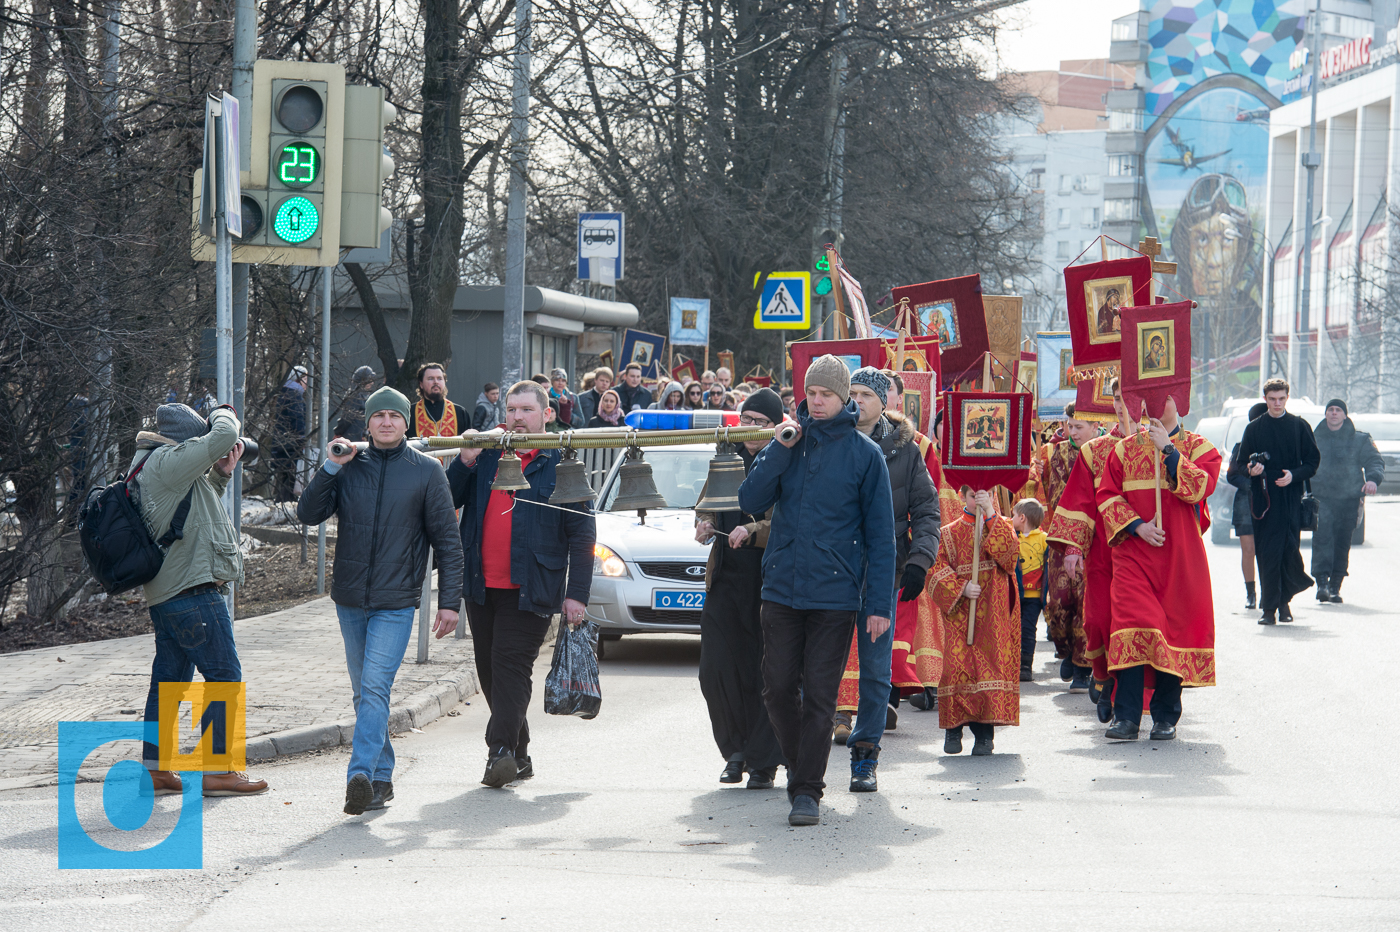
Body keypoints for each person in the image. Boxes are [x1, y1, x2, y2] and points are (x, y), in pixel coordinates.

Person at [737, 355, 895, 826]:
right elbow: (750, 499)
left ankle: (807, 789)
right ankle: (800, 765)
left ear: (844, 398)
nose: (818, 401)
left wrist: (878, 605)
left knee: (822, 697)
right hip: (782, 588)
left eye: (827, 393)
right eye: (812, 392)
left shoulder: (865, 456)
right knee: (778, 688)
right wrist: (781, 448)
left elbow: (881, 539)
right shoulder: (788, 442)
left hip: (835, 595)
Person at [298, 386, 464, 814]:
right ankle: (382, 778)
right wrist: (331, 467)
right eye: (378, 416)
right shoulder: (349, 466)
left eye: (394, 416)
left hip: (396, 600)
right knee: (364, 693)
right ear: (367, 423)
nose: (386, 422)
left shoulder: (427, 471)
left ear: (405, 423)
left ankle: (358, 773)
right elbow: (307, 513)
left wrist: (450, 601)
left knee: (374, 687)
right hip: (350, 597)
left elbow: (448, 540)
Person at [448, 381, 596, 787]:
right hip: (481, 585)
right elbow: (448, 498)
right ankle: (521, 753)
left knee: (510, 665)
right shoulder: (488, 456)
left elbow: (583, 533)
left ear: (546, 414)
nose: (516, 417)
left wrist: (576, 594)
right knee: (490, 672)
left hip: (533, 585)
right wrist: (465, 458)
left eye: (526, 410)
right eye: (511, 409)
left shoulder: (562, 462)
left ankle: (498, 752)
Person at [135, 403, 268, 799]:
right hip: (193, 591)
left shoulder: (156, 465)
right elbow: (224, 434)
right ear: (186, 442)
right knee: (225, 676)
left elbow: (197, 502)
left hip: (172, 591)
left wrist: (222, 471)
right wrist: (221, 413)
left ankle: (157, 771)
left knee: (169, 683)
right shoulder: (166, 459)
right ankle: (217, 770)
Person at [829, 368, 938, 793]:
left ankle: (865, 755)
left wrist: (919, 560)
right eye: (850, 393)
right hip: (832, 570)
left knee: (875, 670)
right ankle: (807, 753)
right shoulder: (830, 438)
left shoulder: (906, 450)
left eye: (864, 395)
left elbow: (927, 509)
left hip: (882, 572)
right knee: (820, 662)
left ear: (883, 402)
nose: (856, 401)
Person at [1096, 394, 1220, 739]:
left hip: (1180, 558)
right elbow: (1106, 495)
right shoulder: (1123, 449)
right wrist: (1137, 525)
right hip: (1134, 555)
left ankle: (1166, 716)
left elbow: (1200, 488)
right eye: (1144, 398)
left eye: (1161, 397)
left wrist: (1168, 450)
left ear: (1178, 400)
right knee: (1134, 625)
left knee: (1173, 631)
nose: (1150, 403)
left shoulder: (1199, 447)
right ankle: (1127, 718)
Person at [694, 389, 787, 789]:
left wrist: (751, 531)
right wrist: (703, 521)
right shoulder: (726, 456)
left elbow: (786, 520)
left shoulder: (784, 459)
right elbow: (707, 502)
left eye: (759, 422)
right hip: (726, 580)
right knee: (714, 669)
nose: (749, 428)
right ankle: (734, 751)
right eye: (745, 419)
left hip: (768, 583)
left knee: (762, 672)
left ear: (775, 425)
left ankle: (763, 762)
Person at [1044, 378, 1132, 721]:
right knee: (1097, 621)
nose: (1122, 405)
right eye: (1117, 398)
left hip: (1141, 554)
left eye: (1128, 397)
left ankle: (1122, 691)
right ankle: (1101, 673)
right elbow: (1079, 500)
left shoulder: (1156, 446)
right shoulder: (1096, 451)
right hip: (1101, 552)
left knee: (1132, 623)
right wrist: (1072, 547)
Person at [928, 486, 1020, 755]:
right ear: (962, 497)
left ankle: (984, 736)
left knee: (988, 670)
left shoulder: (1002, 525)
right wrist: (960, 588)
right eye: (974, 496)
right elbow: (935, 569)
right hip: (960, 613)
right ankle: (953, 731)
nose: (980, 500)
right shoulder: (948, 532)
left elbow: (1010, 556)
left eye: (987, 495)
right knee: (956, 670)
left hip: (993, 612)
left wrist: (991, 514)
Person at [1236, 379, 1320, 625]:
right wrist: (1252, 470)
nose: (1276, 403)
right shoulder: (1254, 429)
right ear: (1265, 399)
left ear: (1287, 398)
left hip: (1291, 500)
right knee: (1267, 553)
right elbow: (1240, 464)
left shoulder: (1299, 426)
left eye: (1281, 398)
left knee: (1289, 551)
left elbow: (1312, 462)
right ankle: (1269, 609)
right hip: (1263, 502)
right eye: (1272, 399)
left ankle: (1284, 604)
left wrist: (1294, 475)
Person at [1032, 405, 1099, 690]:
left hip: (1092, 540)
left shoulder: (1103, 452)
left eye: (1078, 427)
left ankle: (1083, 665)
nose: (1072, 432)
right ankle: (1067, 648)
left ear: (1096, 426)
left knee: (1085, 603)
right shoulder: (1051, 453)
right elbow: (1033, 488)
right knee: (1059, 603)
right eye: (1070, 426)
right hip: (1059, 538)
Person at [1310, 399, 1383, 603]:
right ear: (1326, 414)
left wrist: (1372, 480)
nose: (1334, 413)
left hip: (1349, 498)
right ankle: (1322, 583)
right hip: (1321, 496)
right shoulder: (1313, 439)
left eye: (1338, 410)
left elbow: (1374, 461)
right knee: (1322, 539)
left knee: (1342, 542)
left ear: (1345, 415)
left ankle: (1335, 586)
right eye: (1330, 410)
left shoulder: (1359, 439)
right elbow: (1303, 462)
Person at [1225, 403, 1268, 609]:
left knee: (1269, 550)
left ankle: (1269, 592)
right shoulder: (1241, 446)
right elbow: (1231, 475)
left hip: (1270, 505)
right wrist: (1251, 484)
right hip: (1246, 505)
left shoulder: (1278, 444)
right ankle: (1251, 593)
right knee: (1248, 550)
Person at [1012, 499, 1046, 682]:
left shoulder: (1043, 539)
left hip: (1033, 597)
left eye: (1014, 515)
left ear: (1022, 518)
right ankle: (1013, 664)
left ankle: (1025, 665)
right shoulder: (1012, 537)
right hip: (1016, 594)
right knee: (1014, 629)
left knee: (1027, 629)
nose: (1011, 519)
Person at [270, 365, 308, 502]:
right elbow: (297, 418)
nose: (307, 383)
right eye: (305, 379)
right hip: (291, 442)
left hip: (281, 440)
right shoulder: (294, 395)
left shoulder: (284, 393)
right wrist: (301, 437)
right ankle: (285, 500)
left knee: (284, 472)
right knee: (290, 471)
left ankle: (283, 499)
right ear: (298, 379)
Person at [406, 363, 468, 440]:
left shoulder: (460, 413)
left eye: (439, 378)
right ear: (421, 384)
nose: (436, 382)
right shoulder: (410, 413)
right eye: (431, 379)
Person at [334, 366, 380, 443]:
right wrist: (338, 432)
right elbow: (347, 418)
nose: (372, 383)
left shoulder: (365, 396)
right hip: (352, 439)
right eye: (370, 380)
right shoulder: (355, 396)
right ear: (363, 381)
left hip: (361, 438)